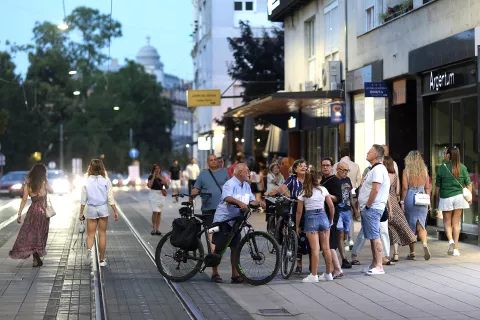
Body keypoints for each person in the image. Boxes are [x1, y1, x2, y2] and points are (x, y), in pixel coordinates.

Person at [211, 163, 265, 283]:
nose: (249, 172)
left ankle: (234, 275)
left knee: (235, 247)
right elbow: (227, 198)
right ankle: (214, 273)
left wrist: (259, 202)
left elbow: (251, 200)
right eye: (247, 170)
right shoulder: (230, 184)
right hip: (224, 219)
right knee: (219, 247)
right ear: (240, 172)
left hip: (236, 221)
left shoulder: (246, 185)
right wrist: (239, 203)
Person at [265, 159, 307, 273]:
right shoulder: (292, 179)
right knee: (296, 234)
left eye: (305, 166)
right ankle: (299, 264)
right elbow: (282, 188)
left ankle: (313, 265)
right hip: (295, 208)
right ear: (295, 169)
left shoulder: (309, 179)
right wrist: (273, 192)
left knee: (308, 237)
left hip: (308, 210)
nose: (303, 167)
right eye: (300, 166)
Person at [10, 164, 54, 267]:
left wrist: (19, 213)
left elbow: (24, 199)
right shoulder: (44, 182)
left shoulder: (27, 185)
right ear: (43, 173)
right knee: (41, 234)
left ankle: (36, 258)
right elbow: (52, 190)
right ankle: (36, 257)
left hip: (32, 212)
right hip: (43, 213)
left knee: (32, 234)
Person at [296, 171, 335, 282]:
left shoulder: (304, 192)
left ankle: (313, 275)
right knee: (326, 248)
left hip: (310, 218)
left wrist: (297, 226)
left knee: (315, 249)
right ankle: (328, 273)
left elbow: (299, 212)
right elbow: (331, 207)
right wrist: (330, 220)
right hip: (323, 217)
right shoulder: (323, 189)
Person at [79, 159, 119, 267]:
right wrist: (115, 211)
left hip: (91, 208)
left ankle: (88, 252)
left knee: (90, 234)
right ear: (102, 168)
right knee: (102, 234)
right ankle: (101, 260)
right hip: (102, 209)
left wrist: (81, 213)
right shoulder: (106, 180)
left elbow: (83, 198)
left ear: (90, 168)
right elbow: (110, 198)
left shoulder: (86, 180)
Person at [357, 145, 390, 275]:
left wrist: (368, 205)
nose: (367, 153)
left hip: (373, 208)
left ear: (376, 155)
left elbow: (375, 189)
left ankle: (379, 266)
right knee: (372, 237)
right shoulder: (374, 169)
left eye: (370, 152)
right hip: (370, 208)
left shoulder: (378, 169)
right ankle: (374, 264)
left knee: (375, 236)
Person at [435, 147, 472, 256]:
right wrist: (468, 197)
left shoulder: (442, 168)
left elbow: (438, 186)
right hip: (460, 197)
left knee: (447, 222)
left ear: (448, 155)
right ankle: (456, 248)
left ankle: (450, 240)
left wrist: (437, 199)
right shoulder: (463, 168)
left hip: (446, 197)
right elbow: (468, 184)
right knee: (456, 223)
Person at [384, 156, 417, 262]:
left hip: (385, 203)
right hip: (395, 203)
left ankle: (388, 254)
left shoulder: (384, 176)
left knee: (390, 229)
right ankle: (396, 253)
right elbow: (398, 192)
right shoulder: (396, 176)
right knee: (398, 227)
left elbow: (385, 191)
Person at [320, 157, 346, 276]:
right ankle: (334, 268)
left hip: (331, 213)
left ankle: (336, 269)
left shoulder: (335, 180)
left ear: (332, 167)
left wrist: (325, 195)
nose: (325, 167)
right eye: (323, 165)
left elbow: (338, 198)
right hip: (323, 213)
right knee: (327, 242)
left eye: (327, 165)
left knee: (329, 242)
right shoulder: (323, 180)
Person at [335, 162, 359, 268]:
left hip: (347, 210)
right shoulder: (334, 180)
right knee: (340, 233)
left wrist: (355, 209)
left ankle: (332, 248)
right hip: (338, 210)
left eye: (347, 170)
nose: (345, 173)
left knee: (345, 235)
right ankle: (344, 259)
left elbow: (350, 196)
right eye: (344, 170)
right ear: (338, 169)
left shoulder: (347, 180)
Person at [147, 164, 169, 235]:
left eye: (158, 168)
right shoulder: (150, 177)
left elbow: (167, 187)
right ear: (153, 170)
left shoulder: (162, 177)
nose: (157, 170)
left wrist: (165, 182)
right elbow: (149, 185)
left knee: (159, 212)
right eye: (155, 169)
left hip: (161, 195)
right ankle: (154, 228)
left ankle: (157, 229)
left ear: (160, 169)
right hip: (153, 194)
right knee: (155, 211)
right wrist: (153, 176)